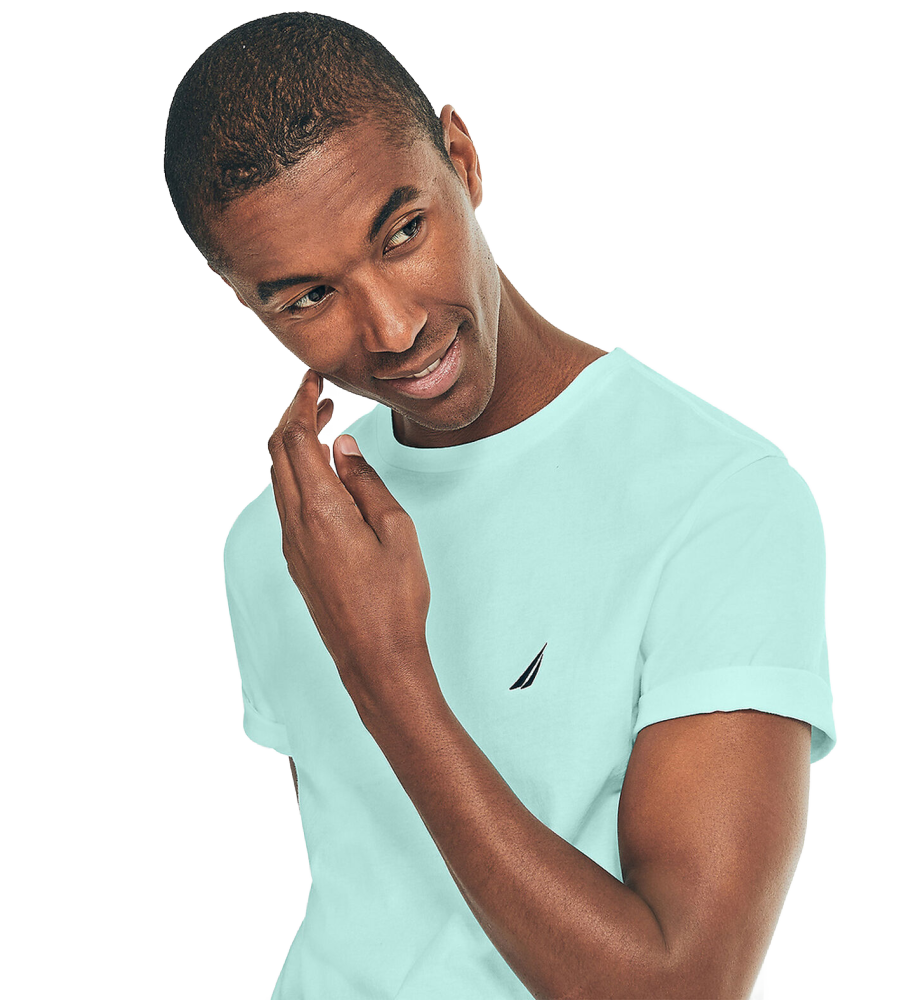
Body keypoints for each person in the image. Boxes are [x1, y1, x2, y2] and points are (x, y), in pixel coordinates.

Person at [163, 13, 837, 999]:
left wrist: (383, 668)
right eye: (307, 297)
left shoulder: (715, 496)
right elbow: (373, 896)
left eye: (402, 233)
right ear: (247, 304)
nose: (392, 328)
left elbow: (686, 985)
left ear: (463, 160)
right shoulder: (275, 539)